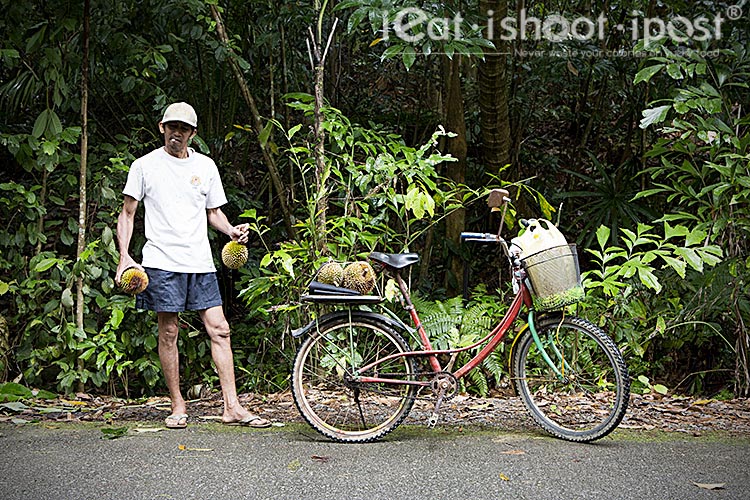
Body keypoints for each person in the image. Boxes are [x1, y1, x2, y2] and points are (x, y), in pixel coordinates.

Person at [115, 102, 270, 429]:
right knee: (169, 331)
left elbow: (213, 212)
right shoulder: (144, 166)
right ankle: (178, 404)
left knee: (221, 329)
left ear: (192, 133)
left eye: (183, 128)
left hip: (200, 262)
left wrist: (231, 230)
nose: (177, 133)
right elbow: (128, 213)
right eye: (172, 126)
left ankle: (232, 407)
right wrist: (125, 257)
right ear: (162, 127)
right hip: (161, 261)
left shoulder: (206, 166)